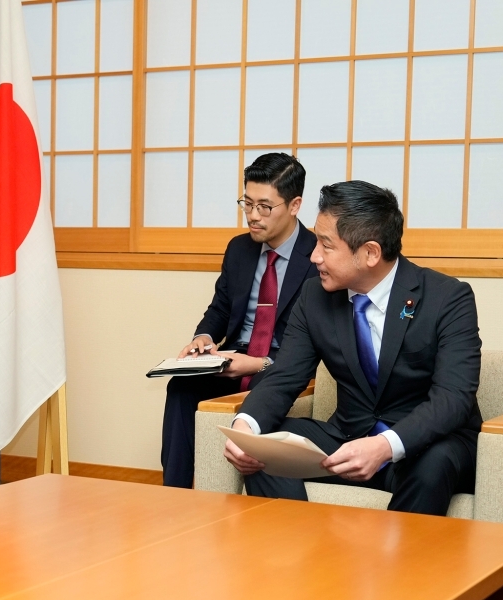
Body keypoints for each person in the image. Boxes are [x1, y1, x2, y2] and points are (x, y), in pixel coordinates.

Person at [224, 181, 481, 515]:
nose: (313, 255)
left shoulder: (448, 298)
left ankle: (398, 565)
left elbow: (453, 398)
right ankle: (297, 551)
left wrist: (385, 446)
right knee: (265, 445)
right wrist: (246, 428)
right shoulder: (313, 296)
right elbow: (284, 376)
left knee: (435, 462)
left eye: (326, 245)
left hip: (424, 443)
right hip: (347, 435)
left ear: (370, 253)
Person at [162, 153, 318, 488]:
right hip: (233, 358)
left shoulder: (318, 255)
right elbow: (220, 308)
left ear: (294, 205)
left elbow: (317, 340)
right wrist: (203, 338)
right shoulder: (239, 249)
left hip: (281, 366)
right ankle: (175, 493)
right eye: (247, 204)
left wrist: (259, 363)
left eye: (265, 206)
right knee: (181, 387)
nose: (252, 216)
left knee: (264, 393)